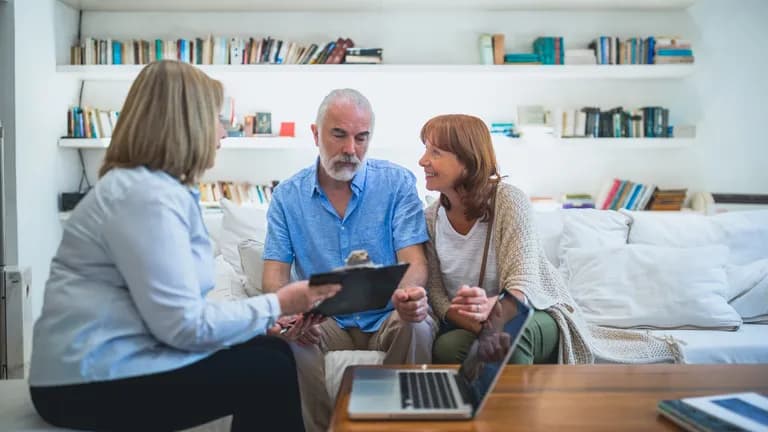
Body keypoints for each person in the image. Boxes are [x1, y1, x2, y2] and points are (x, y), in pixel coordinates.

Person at [28, 60, 340, 432]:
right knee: (265, 371)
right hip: (85, 384)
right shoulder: (143, 198)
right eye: (217, 118)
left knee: (270, 351)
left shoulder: (153, 190)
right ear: (187, 123)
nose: (223, 132)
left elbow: (176, 311)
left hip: (114, 365)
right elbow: (183, 327)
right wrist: (281, 302)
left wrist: (261, 323)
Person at [419, 114, 684, 366]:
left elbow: (523, 281)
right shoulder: (430, 218)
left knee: (509, 335)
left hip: (532, 311)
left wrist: (494, 311)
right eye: (425, 150)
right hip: (473, 322)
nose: (423, 161)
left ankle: (520, 413)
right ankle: (462, 408)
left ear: (467, 159)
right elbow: (437, 293)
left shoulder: (508, 201)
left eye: (435, 152)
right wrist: (473, 320)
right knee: (447, 347)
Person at [262, 88, 436, 432]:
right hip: (325, 321)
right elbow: (273, 276)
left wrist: (405, 297)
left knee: (418, 323)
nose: (350, 150)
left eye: (361, 138)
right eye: (339, 135)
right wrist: (290, 312)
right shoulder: (287, 196)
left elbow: (415, 263)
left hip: (389, 313)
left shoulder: (397, 183)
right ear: (316, 133)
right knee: (288, 341)